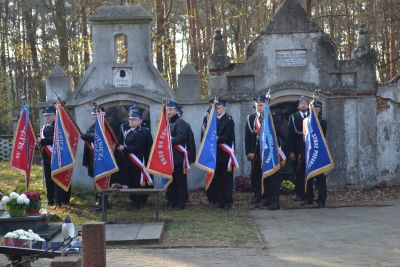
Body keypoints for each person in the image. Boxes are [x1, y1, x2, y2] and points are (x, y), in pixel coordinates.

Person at [245, 95, 285, 209]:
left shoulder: (274, 117)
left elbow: (280, 133)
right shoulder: (251, 118)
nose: (259, 107)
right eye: (257, 105)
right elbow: (247, 137)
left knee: (272, 177)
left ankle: (273, 200)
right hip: (256, 153)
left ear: (266, 106)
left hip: (270, 153)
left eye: (261, 105)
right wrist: (248, 152)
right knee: (255, 175)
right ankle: (258, 195)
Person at [117, 106, 153, 210]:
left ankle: (138, 201)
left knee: (138, 182)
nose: (131, 121)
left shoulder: (143, 131)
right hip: (129, 162)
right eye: (130, 119)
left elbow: (138, 147)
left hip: (138, 161)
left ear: (139, 120)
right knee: (131, 182)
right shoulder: (129, 131)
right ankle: (133, 200)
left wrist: (125, 148)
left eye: (133, 120)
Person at [37, 106, 66, 206]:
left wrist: (42, 141)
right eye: (45, 116)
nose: (47, 117)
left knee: (56, 179)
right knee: (48, 180)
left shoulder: (58, 126)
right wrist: (39, 142)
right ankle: (50, 200)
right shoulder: (44, 127)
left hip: (55, 157)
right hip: (46, 158)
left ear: (55, 116)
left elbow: (56, 139)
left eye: (49, 115)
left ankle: (58, 201)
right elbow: (42, 141)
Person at [81, 107, 109, 211]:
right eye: (92, 115)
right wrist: (86, 161)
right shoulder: (90, 128)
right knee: (95, 181)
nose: (93, 117)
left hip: (103, 160)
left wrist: (86, 136)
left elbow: (99, 138)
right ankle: (98, 200)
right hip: (93, 160)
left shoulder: (106, 128)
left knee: (104, 181)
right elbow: (87, 148)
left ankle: (104, 202)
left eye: (95, 115)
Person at [165, 101, 190, 210]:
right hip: (169, 157)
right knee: (171, 181)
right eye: (167, 110)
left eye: (170, 110)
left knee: (180, 181)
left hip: (178, 158)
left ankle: (181, 203)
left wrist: (169, 140)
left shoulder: (181, 123)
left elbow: (181, 137)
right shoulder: (166, 122)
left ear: (176, 110)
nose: (168, 112)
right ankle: (171, 200)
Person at [288, 96, 310, 203]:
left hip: (309, 150)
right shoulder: (293, 117)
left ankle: (308, 195)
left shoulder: (312, 117)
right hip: (297, 150)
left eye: (305, 103)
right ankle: (299, 194)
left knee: (308, 173)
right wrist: (291, 151)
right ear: (298, 105)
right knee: (298, 172)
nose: (304, 105)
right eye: (302, 103)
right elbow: (290, 135)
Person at [214, 98, 235, 210]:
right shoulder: (213, 120)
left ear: (224, 108)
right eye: (216, 108)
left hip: (226, 154)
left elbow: (228, 137)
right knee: (218, 179)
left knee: (226, 179)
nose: (217, 110)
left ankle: (227, 202)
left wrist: (218, 138)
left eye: (219, 108)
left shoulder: (228, 120)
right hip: (216, 154)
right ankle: (220, 201)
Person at [306, 100, 328, 208]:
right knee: (310, 176)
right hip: (310, 152)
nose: (314, 111)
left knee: (320, 178)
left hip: (319, 152)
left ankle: (321, 199)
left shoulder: (322, 122)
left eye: (315, 109)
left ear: (319, 110)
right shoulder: (307, 121)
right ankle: (309, 198)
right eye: (312, 109)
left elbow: (321, 136)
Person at [201, 102, 218, 205]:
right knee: (210, 175)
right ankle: (211, 197)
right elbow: (202, 137)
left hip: (218, 153)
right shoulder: (205, 119)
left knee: (218, 178)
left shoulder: (221, 120)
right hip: (208, 152)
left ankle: (217, 198)